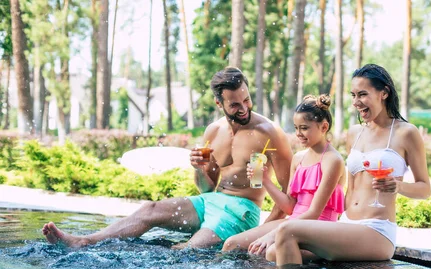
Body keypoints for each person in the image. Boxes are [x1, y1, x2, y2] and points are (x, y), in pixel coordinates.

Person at [42, 67, 293, 249]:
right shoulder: (213, 132)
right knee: (150, 210)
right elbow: (207, 188)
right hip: (211, 201)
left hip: (242, 211)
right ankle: (85, 241)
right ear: (219, 103)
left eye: (246, 100)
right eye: (235, 105)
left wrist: (262, 233)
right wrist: (198, 168)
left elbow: (289, 194)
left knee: (191, 251)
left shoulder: (269, 133)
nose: (244, 108)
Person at [271, 63, 431, 266]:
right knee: (273, 252)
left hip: (376, 229)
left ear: (384, 93)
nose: (356, 102)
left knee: (287, 231)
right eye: (353, 95)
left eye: (362, 94)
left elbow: (425, 189)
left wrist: (398, 186)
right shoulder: (356, 132)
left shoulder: (406, 133)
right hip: (347, 223)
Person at [222, 94, 346, 260]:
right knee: (232, 245)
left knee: (271, 251)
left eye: (304, 128)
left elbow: (314, 213)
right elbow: (290, 207)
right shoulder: (299, 158)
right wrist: (266, 180)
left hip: (319, 230)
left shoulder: (333, 160)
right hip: (293, 223)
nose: (298, 134)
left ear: (324, 127)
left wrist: (274, 234)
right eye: (296, 128)